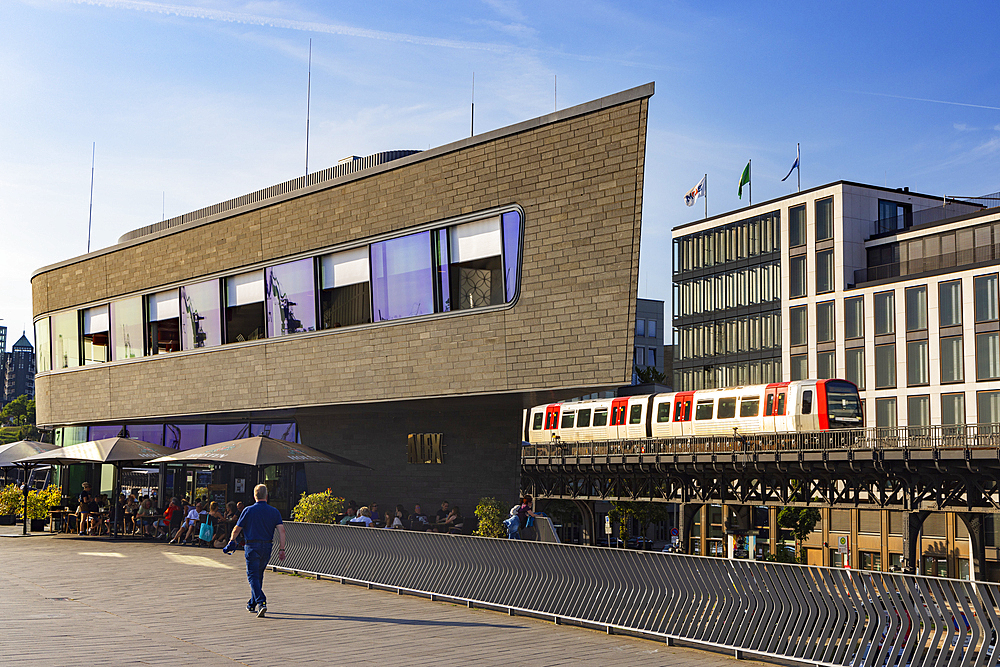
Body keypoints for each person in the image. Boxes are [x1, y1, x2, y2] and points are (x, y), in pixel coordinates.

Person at [223, 484, 286, 618]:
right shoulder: (274, 511)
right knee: (259, 575)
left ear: (254, 496)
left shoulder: (248, 510)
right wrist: (282, 549)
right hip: (267, 547)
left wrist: (231, 541)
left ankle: (261, 601)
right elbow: (282, 531)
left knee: (252, 576)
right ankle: (252, 603)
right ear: (267, 496)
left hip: (252, 546)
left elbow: (236, 529)